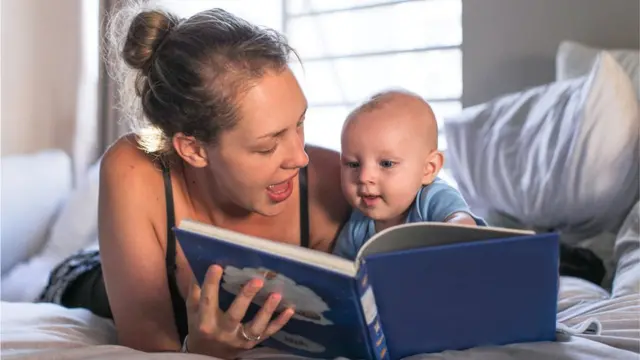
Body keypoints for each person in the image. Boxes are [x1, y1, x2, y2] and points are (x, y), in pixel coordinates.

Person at [37, 2, 350, 359]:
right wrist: (197, 351)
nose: (300, 157)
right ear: (193, 149)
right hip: (91, 281)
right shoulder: (132, 169)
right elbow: (147, 341)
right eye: (267, 147)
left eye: (300, 123)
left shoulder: (334, 180)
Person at [332, 90, 486, 260]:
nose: (363, 177)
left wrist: (451, 234)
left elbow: (463, 226)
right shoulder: (357, 226)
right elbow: (338, 268)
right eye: (353, 164)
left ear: (429, 168)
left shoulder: (432, 198)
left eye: (386, 164)